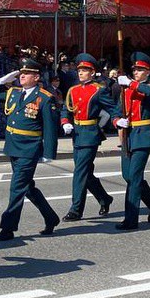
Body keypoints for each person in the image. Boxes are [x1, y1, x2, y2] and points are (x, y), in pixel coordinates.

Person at [0, 57, 60, 240]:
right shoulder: (14, 93)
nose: (22, 76)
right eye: (21, 73)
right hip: (13, 146)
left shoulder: (44, 98)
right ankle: (51, 217)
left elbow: (50, 128)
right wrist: (1, 81)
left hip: (29, 149)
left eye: (27, 73)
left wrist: (49, 152)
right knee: (27, 188)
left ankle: (8, 228)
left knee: (17, 187)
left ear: (36, 77)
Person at [59, 53, 114, 222]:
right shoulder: (73, 90)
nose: (81, 72)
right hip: (77, 133)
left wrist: (118, 119)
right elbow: (66, 109)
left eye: (85, 70)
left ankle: (76, 209)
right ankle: (104, 198)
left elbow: (112, 107)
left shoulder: (99, 90)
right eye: (80, 70)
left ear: (92, 72)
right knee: (86, 172)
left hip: (90, 133)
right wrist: (65, 121)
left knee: (80, 172)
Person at [113, 52, 150, 230]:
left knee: (134, 177)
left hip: (143, 134)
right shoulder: (126, 90)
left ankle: (131, 219)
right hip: (128, 134)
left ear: (148, 72)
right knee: (127, 175)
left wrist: (131, 84)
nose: (136, 72)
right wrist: (117, 121)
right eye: (134, 70)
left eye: (140, 70)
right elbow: (117, 110)